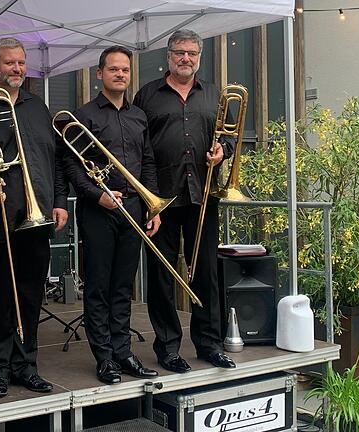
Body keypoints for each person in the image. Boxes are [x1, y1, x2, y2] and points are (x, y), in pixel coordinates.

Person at [0, 37, 69, 399]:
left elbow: (54, 160)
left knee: (31, 295)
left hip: (34, 221)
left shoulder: (39, 107)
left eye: (21, 63)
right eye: (9, 63)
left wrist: (59, 201)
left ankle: (25, 366)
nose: (17, 69)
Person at [133, 29, 236, 372]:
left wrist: (224, 151)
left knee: (206, 271)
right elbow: (136, 146)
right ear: (168, 55)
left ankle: (209, 343)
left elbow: (231, 139)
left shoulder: (215, 96)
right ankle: (168, 348)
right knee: (162, 275)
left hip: (203, 196)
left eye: (192, 53)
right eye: (180, 52)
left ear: (199, 57)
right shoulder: (147, 95)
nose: (186, 58)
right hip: (161, 198)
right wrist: (146, 198)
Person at [62, 46, 159, 385]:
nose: (120, 74)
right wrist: (95, 195)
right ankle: (103, 357)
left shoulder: (138, 117)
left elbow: (147, 161)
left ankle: (123, 351)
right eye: (113, 69)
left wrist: (152, 205)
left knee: (122, 286)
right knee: (99, 287)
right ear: (100, 73)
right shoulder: (83, 116)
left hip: (133, 206)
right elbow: (72, 166)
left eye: (125, 70)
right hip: (99, 210)